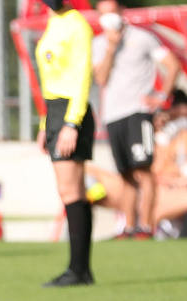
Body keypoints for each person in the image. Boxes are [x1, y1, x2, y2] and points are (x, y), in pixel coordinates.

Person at [92, 0, 180, 239]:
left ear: (121, 12)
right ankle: (129, 227)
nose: (107, 18)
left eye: (111, 13)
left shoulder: (143, 38)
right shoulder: (99, 44)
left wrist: (162, 98)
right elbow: (100, 79)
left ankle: (146, 226)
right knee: (126, 174)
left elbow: (172, 65)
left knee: (143, 170)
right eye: (102, 14)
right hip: (113, 115)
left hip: (138, 112)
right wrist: (111, 47)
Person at [35, 0, 96, 287]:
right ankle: (80, 269)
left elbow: (82, 77)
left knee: (70, 191)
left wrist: (72, 123)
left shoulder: (77, 24)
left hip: (71, 111)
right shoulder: (52, 21)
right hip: (55, 111)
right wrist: (45, 124)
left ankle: (78, 269)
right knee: (72, 191)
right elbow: (50, 81)